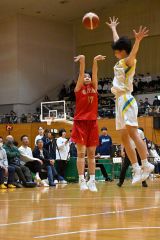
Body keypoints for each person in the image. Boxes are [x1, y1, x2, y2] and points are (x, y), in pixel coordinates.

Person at [106, 16, 154, 184]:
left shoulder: (128, 61)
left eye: (117, 50)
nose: (114, 52)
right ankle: (136, 168)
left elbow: (133, 53)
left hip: (126, 99)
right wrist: (113, 29)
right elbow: (118, 42)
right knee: (123, 137)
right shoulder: (120, 61)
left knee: (133, 133)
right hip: (118, 101)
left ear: (122, 51)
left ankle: (146, 164)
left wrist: (138, 41)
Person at [71, 54, 106, 191]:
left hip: (92, 123)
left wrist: (95, 61)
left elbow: (95, 74)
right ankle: (81, 180)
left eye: (88, 77)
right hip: (80, 123)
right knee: (81, 153)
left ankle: (92, 180)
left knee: (91, 154)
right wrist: (83, 60)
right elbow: (80, 74)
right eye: (85, 77)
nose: (87, 77)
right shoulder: (78, 89)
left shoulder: (94, 87)